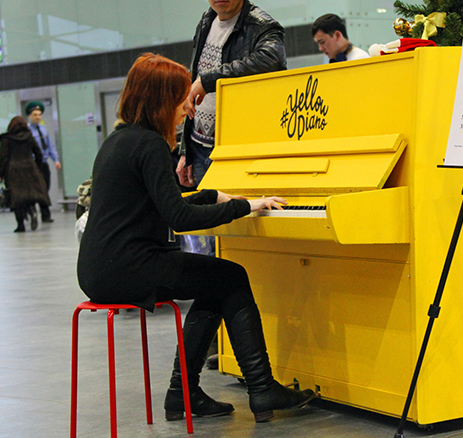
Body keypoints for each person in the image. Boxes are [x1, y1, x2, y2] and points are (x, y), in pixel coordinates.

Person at [77, 53, 315, 423]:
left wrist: (216, 196)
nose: (187, 106)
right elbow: (180, 218)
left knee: (214, 282)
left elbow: (166, 202)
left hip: (100, 268)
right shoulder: (151, 146)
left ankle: (183, 394)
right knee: (231, 276)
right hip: (130, 267)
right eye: (181, 98)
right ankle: (261, 387)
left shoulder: (121, 141)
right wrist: (247, 206)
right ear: (160, 100)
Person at [176, 0, 286, 189]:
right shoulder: (206, 21)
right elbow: (194, 83)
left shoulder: (261, 25)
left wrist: (210, 79)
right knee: (204, 226)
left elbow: (272, 60)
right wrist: (185, 151)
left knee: (238, 225)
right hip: (199, 148)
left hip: (239, 152)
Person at [0, 116, 51, 232]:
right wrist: (36, 166)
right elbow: (39, 153)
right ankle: (32, 210)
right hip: (30, 168)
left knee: (17, 199)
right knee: (30, 194)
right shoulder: (29, 137)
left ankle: (20, 225)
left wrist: (0, 173)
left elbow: (4, 158)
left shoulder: (6, 139)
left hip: (13, 171)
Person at [26, 101, 61, 223]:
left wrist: (56, 159)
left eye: (39, 114)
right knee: (33, 189)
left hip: (44, 164)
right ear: (30, 116)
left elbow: (50, 145)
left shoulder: (43, 129)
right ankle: (32, 211)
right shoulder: (27, 131)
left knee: (45, 189)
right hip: (33, 165)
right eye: (35, 114)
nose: (37, 117)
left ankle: (46, 215)